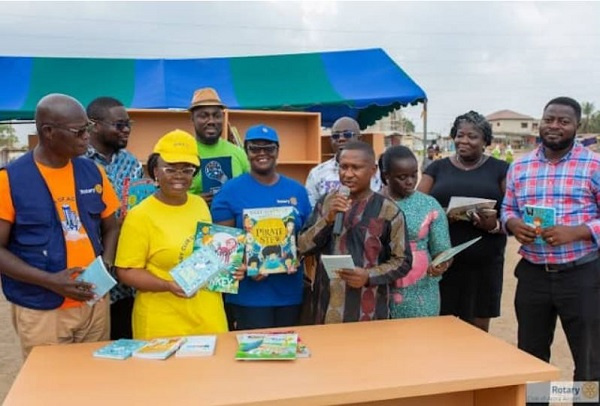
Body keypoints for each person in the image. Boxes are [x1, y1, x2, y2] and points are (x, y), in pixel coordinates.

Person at [0, 94, 120, 357]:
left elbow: (111, 226)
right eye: (79, 131)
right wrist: (50, 281)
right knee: (50, 390)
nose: (87, 136)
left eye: (87, 127)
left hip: (94, 304)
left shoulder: (92, 172)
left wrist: (106, 265)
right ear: (49, 132)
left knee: (93, 382)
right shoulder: (11, 180)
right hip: (43, 309)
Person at [502, 97, 600, 394]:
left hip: (582, 276)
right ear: (540, 122)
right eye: (549, 119)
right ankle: (538, 402)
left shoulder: (594, 165)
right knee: (531, 356)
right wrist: (513, 224)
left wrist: (578, 232)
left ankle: (586, 402)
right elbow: (508, 208)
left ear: (577, 127)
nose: (554, 126)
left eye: (563, 121)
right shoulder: (520, 166)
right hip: (533, 274)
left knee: (589, 358)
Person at [114, 129, 240, 339]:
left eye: (187, 169)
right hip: (162, 321)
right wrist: (167, 285)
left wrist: (232, 269)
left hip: (208, 316)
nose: (179, 176)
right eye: (170, 169)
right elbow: (126, 271)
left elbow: (210, 256)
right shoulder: (140, 216)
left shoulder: (200, 204)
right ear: (155, 170)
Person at [211, 124, 312, 330]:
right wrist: (248, 265)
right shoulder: (230, 191)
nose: (262, 153)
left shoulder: (297, 191)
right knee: (254, 355)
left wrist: (298, 256)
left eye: (269, 148)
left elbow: (307, 238)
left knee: (289, 352)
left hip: (290, 292)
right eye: (255, 148)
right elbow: (220, 247)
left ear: (277, 151)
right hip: (248, 297)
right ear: (246, 151)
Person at [298, 141, 410, 324]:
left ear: (373, 170)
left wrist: (368, 276)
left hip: (368, 310)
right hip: (326, 307)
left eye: (356, 168)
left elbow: (403, 261)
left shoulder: (389, 210)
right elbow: (302, 246)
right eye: (343, 167)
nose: (348, 174)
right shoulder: (326, 202)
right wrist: (328, 219)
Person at [417, 111, 508, 332]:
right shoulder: (437, 168)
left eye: (472, 136)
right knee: (441, 325)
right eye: (459, 135)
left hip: (484, 262)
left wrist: (494, 224)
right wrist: (441, 215)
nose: (464, 141)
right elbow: (418, 206)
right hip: (443, 261)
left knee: (477, 327)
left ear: (485, 141)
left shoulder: (501, 169)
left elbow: (511, 212)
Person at [85, 96, 143, 340]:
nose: (126, 130)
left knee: (125, 340)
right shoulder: (77, 162)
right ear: (94, 125)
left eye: (128, 124)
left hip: (127, 269)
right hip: (90, 269)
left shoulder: (131, 162)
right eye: (119, 125)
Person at [379, 146, 452, 318]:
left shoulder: (429, 205)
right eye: (402, 177)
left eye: (414, 174)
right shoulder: (374, 203)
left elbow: (443, 249)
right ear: (386, 176)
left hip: (422, 289)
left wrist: (443, 263)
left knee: (421, 338)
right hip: (381, 286)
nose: (410, 182)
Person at [187, 87, 250, 206]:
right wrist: (194, 201)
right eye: (203, 116)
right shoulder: (183, 153)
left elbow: (252, 187)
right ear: (192, 119)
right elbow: (168, 196)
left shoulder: (238, 153)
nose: (211, 121)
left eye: (216, 116)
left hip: (230, 222)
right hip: (194, 221)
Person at [305, 116, 381, 208]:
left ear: (360, 139)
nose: (341, 139)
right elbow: (311, 210)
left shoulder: (377, 170)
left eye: (347, 135)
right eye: (335, 136)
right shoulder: (317, 173)